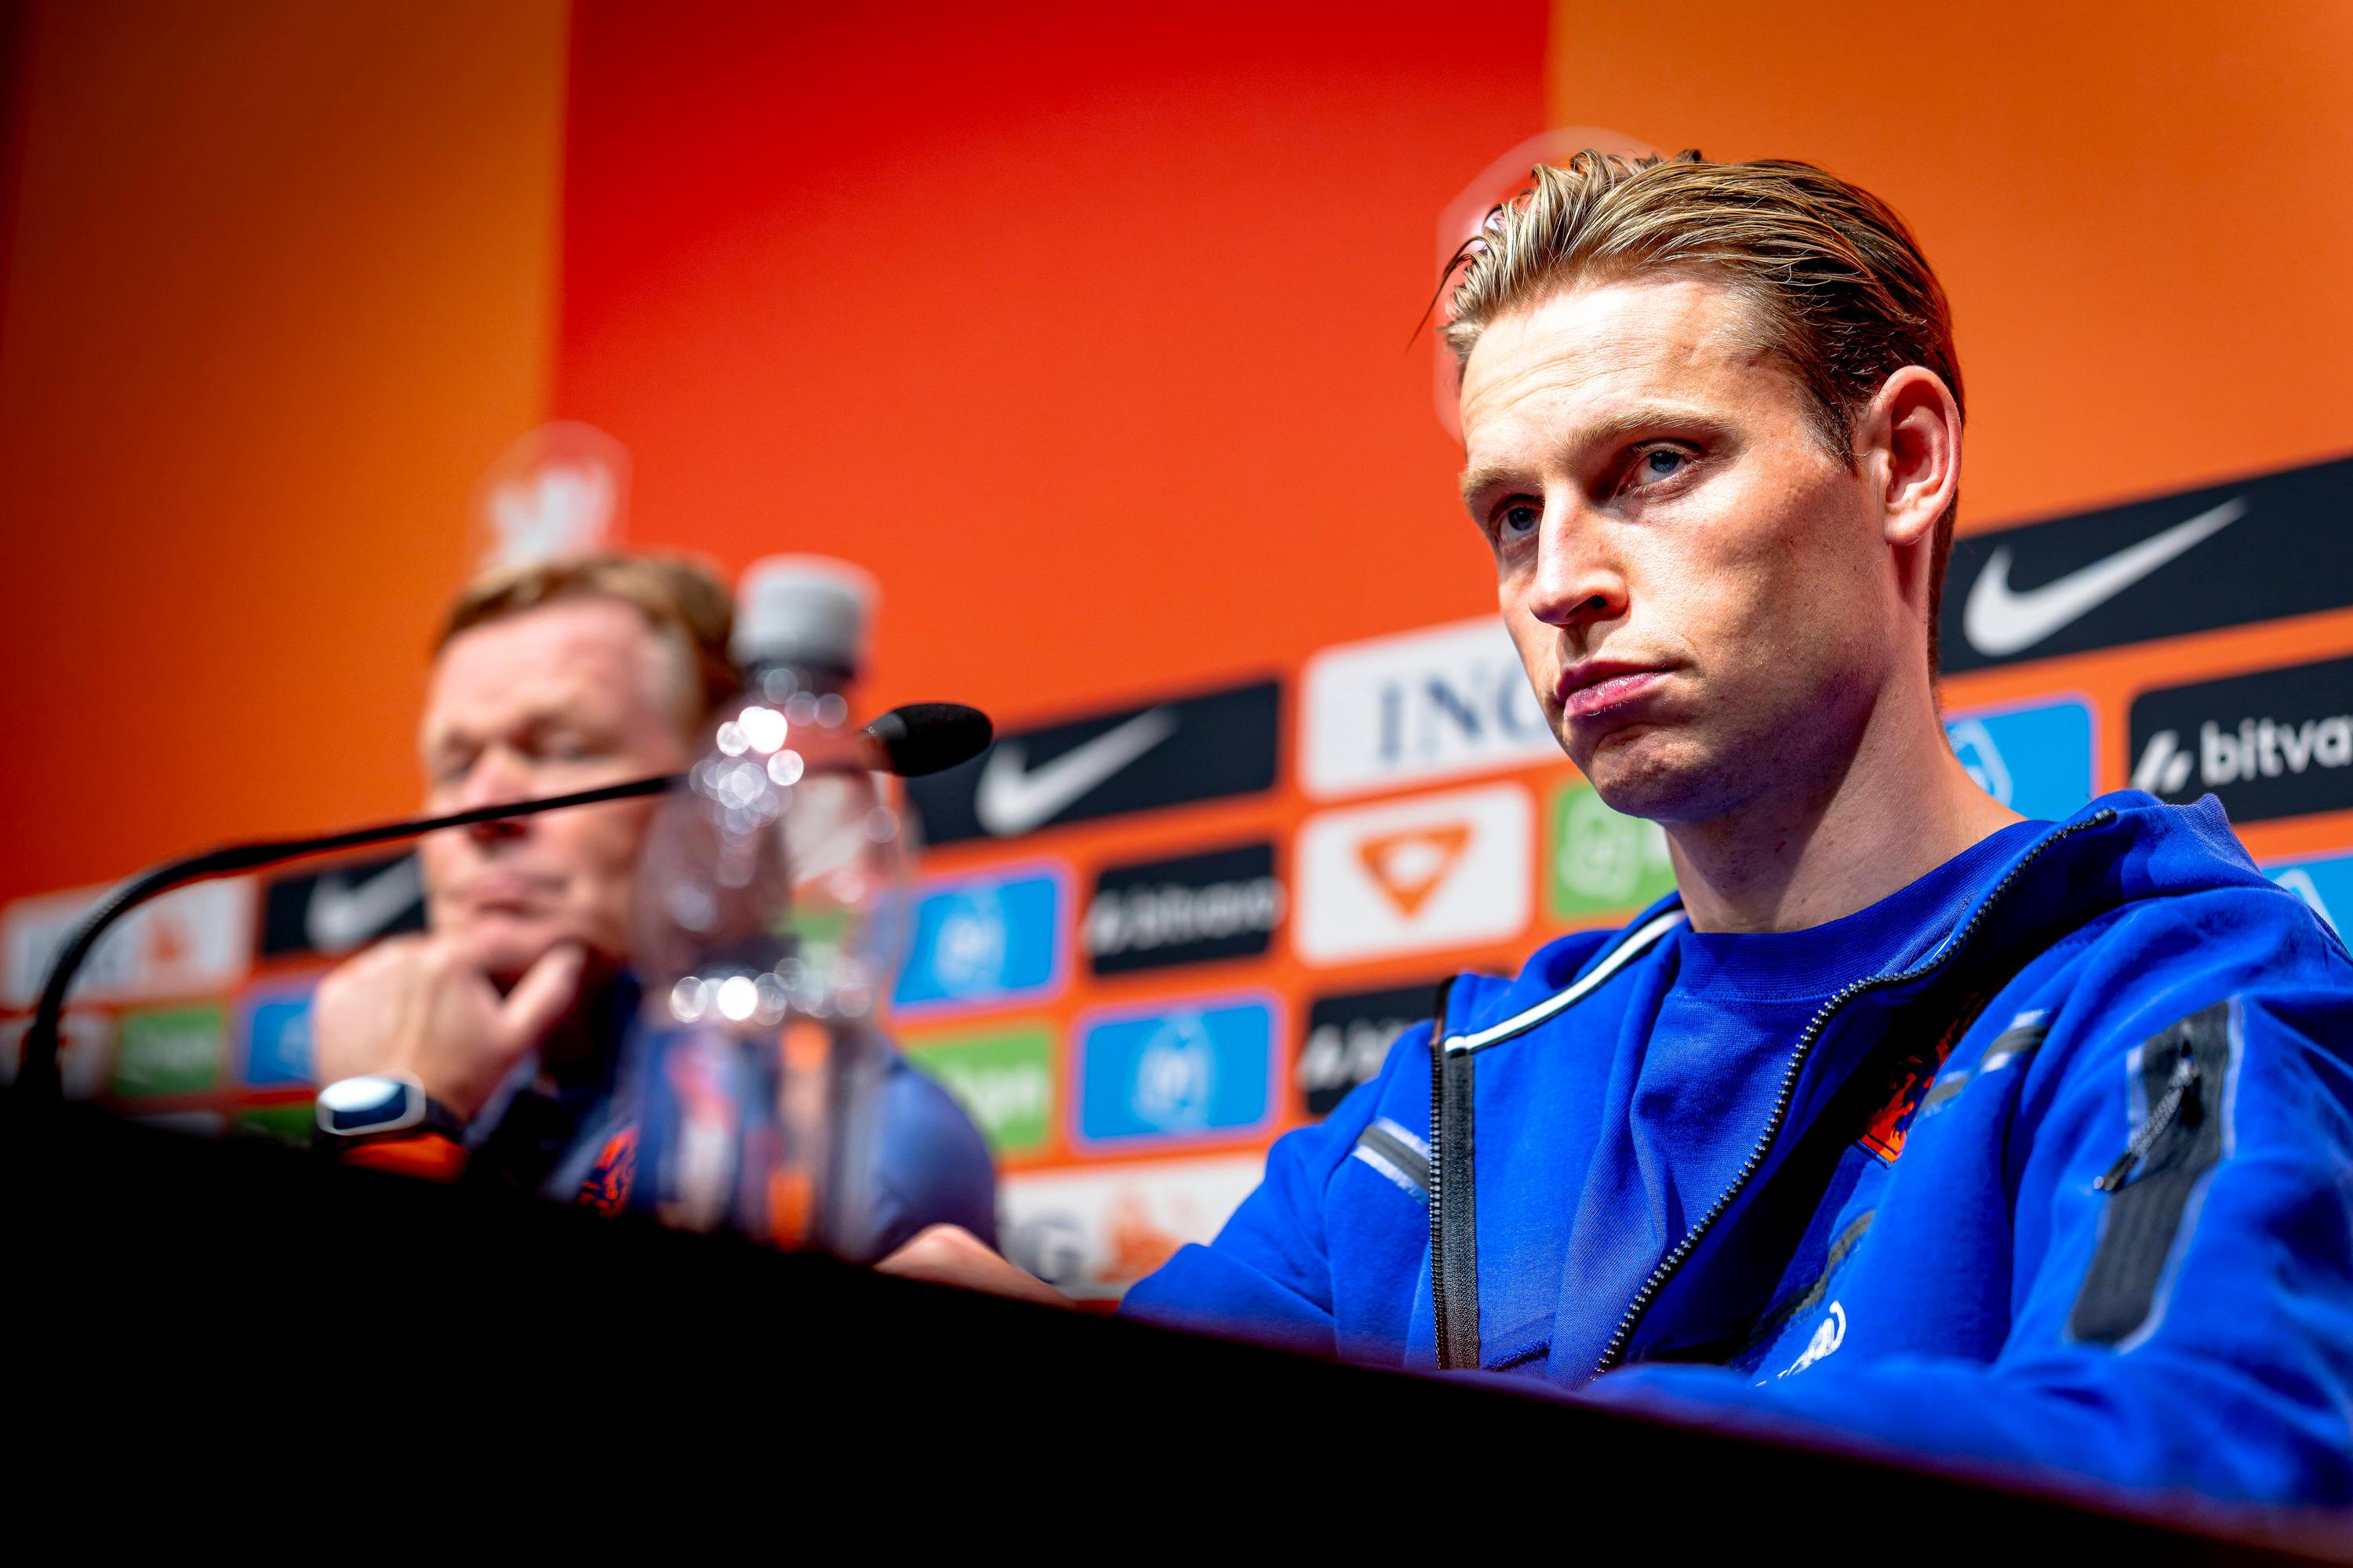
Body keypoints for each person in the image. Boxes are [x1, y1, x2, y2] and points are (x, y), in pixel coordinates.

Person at [880, 152, 2353, 1503]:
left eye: (1654, 464)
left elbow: (2194, 1448)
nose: (1559, 581)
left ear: (1903, 460)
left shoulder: (2171, 988)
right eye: (1513, 514)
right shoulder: (1449, 1104)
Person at [311, 551, 999, 1259]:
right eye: (455, 767)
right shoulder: (478, 1100)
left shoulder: (851, 1144)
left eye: (564, 750)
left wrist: (388, 1120)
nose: (484, 812)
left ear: (730, 796)